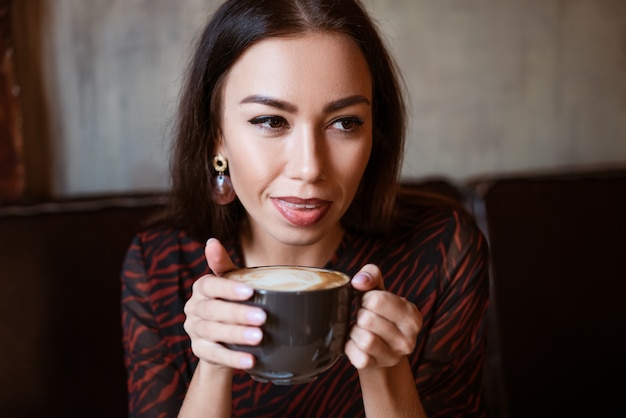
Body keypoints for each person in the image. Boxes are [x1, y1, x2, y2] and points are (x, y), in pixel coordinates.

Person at [121, 0, 489, 416]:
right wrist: (214, 365)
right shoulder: (159, 268)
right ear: (215, 138)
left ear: (375, 133)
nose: (310, 167)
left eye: (345, 123)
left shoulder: (442, 252)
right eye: (271, 121)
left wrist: (386, 372)